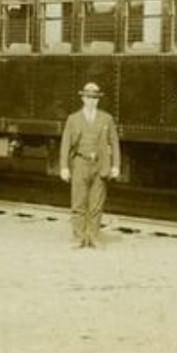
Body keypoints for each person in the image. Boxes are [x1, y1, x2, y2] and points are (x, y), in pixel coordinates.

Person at [59, 82, 121, 249]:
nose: (92, 101)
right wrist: (64, 167)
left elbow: (114, 143)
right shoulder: (73, 119)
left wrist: (116, 165)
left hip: (100, 165)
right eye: (88, 97)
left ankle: (93, 236)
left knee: (96, 204)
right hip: (80, 163)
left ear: (98, 100)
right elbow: (65, 143)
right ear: (83, 98)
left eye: (95, 98)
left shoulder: (106, 118)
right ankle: (78, 237)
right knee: (78, 203)